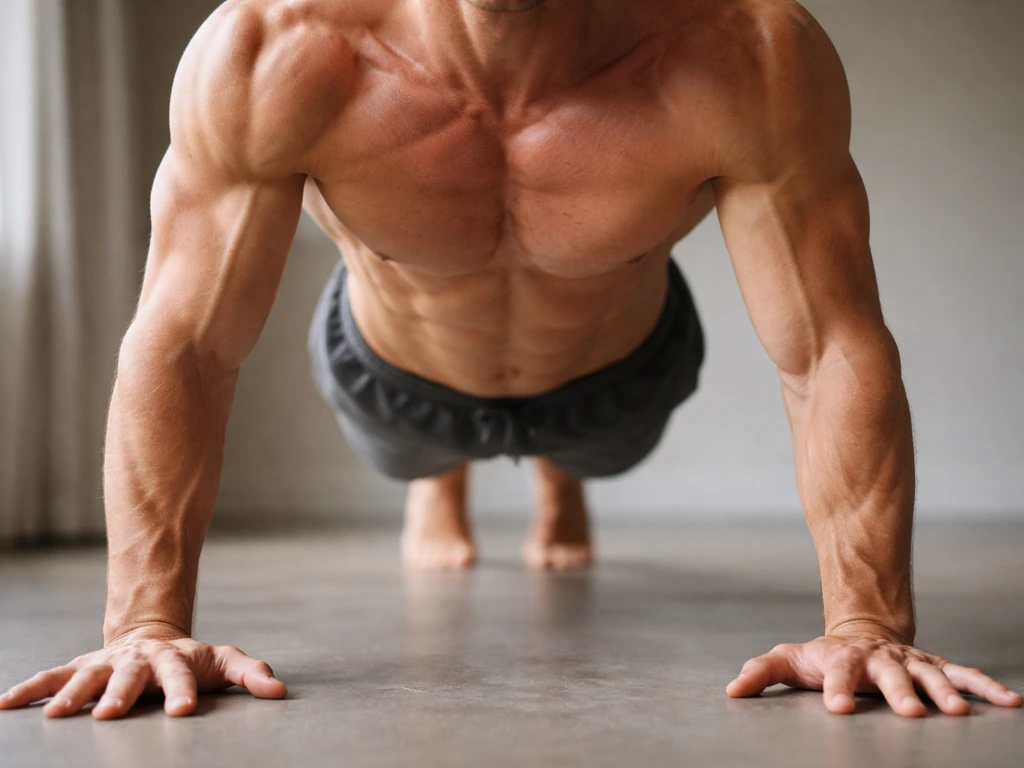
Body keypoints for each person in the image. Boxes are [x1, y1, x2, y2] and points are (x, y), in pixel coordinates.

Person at [2, 0, 1020, 722]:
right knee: (409, 451)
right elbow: (184, 343)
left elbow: (829, 345)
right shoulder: (273, 49)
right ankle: (437, 485)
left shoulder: (744, 49)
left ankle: (555, 485)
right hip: (389, 374)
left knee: (596, 457)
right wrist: (144, 624)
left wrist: (869, 625)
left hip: (619, 373)